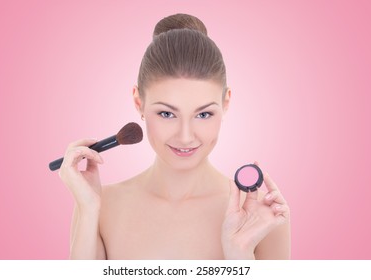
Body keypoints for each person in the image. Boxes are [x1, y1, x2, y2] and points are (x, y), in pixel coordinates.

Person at [58, 13, 290, 260]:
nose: (186, 136)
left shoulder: (261, 216)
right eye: (167, 113)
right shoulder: (100, 205)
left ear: (226, 103)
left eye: (203, 114)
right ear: (139, 102)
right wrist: (88, 209)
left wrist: (239, 254)